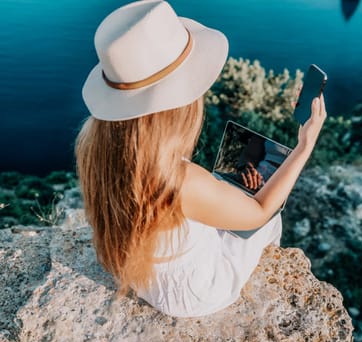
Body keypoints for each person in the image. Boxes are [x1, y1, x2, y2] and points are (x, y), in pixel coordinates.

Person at [75, 0, 327, 318]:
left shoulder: (93, 143)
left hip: (140, 274)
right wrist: (305, 145)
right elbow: (261, 212)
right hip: (193, 294)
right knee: (268, 219)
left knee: (231, 193)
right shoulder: (178, 179)